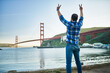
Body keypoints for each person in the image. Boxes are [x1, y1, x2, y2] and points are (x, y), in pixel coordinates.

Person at [57, 4, 83, 73]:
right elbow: (82, 18)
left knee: (68, 63)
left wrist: (58, 10)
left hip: (69, 46)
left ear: (71, 18)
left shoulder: (69, 24)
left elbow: (61, 18)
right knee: (78, 62)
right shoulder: (79, 24)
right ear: (76, 19)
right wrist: (81, 10)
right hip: (76, 46)